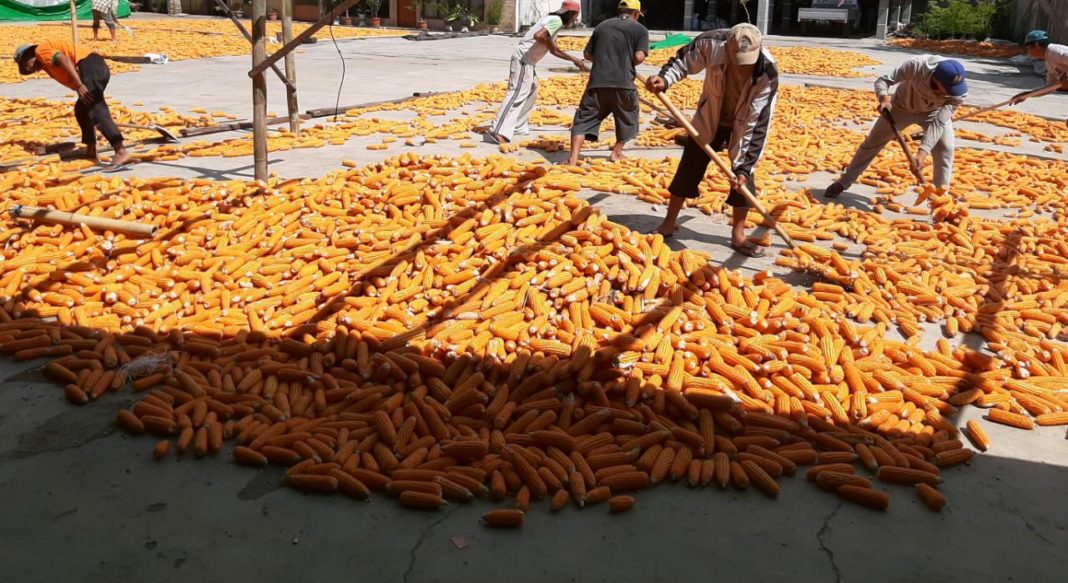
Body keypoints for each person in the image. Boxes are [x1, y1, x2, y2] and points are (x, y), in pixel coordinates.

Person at [645, 24, 779, 257]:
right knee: (689, 165)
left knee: (743, 179)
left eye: (746, 60)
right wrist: (664, 80)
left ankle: (738, 234)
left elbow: (758, 125)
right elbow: (683, 62)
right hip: (711, 116)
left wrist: (744, 168)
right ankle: (669, 222)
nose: (741, 65)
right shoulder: (711, 43)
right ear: (727, 46)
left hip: (742, 123)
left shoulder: (768, 73)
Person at [824, 56, 967, 199]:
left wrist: (922, 153)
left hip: (933, 113)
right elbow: (883, 81)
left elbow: (938, 124)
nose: (951, 92)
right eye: (947, 88)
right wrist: (884, 99)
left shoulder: (958, 94)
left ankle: (941, 199)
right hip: (900, 108)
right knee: (872, 143)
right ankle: (844, 182)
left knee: (945, 149)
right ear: (935, 79)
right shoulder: (916, 66)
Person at [14, 42, 130, 169]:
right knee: (81, 110)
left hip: (89, 65)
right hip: (92, 68)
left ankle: (121, 151)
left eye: (25, 64)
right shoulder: (46, 65)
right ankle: (91, 151)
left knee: (95, 108)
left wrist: (80, 85)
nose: (28, 68)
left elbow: (64, 59)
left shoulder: (40, 51)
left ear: (29, 55)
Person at [485, 1, 584, 144]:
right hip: (524, 59)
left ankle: (518, 125)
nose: (575, 20)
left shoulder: (553, 21)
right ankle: (498, 130)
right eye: (575, 16)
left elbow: (553, 49)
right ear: (572, 14)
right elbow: (539, 36)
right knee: (517, 93)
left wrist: (573, 59)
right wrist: (552, 45)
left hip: (529, 62)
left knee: (532, 89)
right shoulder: (555, 21)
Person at [565, 0, 649, 165]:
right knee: (628, 119)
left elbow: (588, 55)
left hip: (597, 83)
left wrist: (606, 59)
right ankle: (616, 152)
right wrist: (624, 60)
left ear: (620, 11)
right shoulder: (640, 30)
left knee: (583, 119)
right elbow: (639, 57)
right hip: (623, 84)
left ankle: (573, 159)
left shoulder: (602, 26)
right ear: (636, 14)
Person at [1014, 30, 1068, 128]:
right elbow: (1050, 87)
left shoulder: (1056, 52)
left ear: (1036, 44)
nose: (1028, 51)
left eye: (1028, 47)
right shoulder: (1049, 60)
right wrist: (1028, 94)